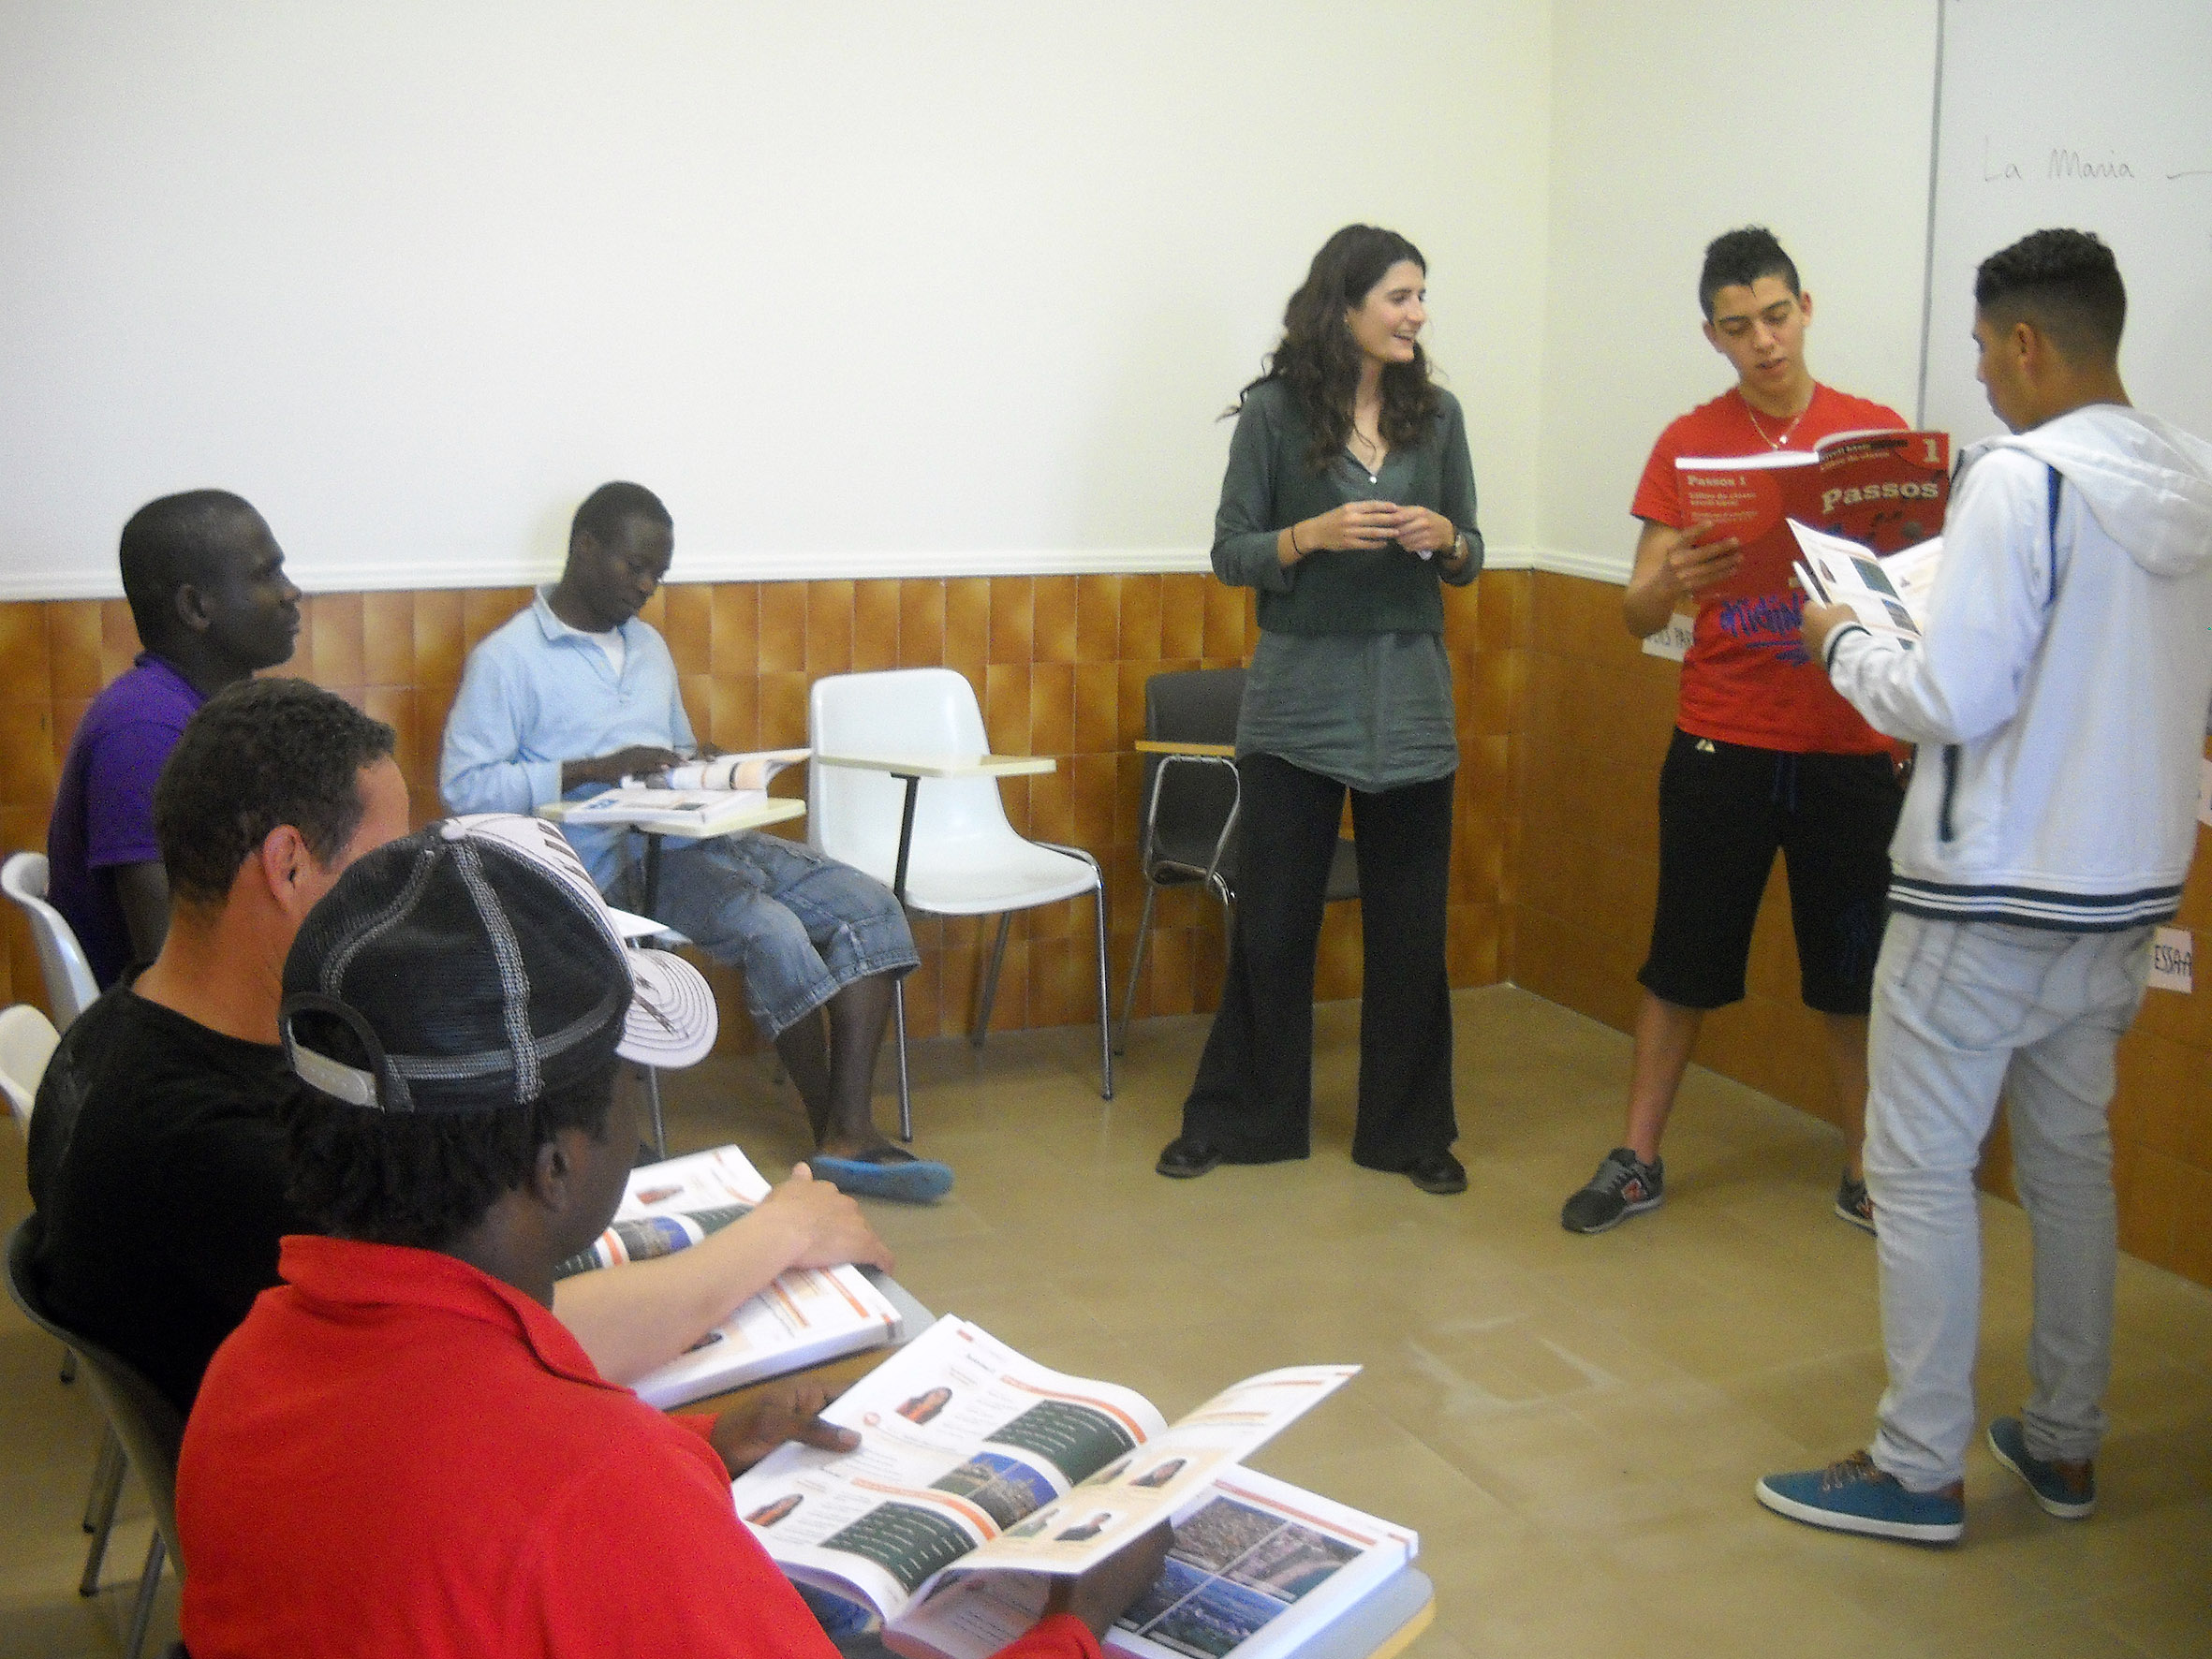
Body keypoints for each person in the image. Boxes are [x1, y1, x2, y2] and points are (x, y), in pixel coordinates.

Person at [176, 815, 1170, 1657]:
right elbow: (544, 1510)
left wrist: (697, 1444)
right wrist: (1077, 1619)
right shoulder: (596, 1487)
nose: (639, 1129)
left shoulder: (243, 1374)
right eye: (622, 1089)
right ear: (555, 1164)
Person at [29, 676, 887, 1411]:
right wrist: (777, 1234)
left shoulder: (131, 1026)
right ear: (289, 866)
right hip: (369, 1485)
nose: (405, 893)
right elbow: (517, 1339)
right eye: (384, 864)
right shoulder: (211, 1148)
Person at [1758, 229, 2212, 1543]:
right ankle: (2062, 1444)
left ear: (2024, 342)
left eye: (1979, 349)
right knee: (2070, 1168)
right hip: (2123, 896)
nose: (1979, 377)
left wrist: (1844, 635)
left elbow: (1950, 696)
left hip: (1986, 896)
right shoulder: (2189, 477)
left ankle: (1914, 1467)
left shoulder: (2020, 482)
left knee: (1914, 1173)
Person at [441, 481, 951, 1203]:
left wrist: (701, 765)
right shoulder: (509, 659)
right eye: (635, 568)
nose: (648, 587)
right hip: (609, 867)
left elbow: (670, 751)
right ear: (585, 548)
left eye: (659, 573)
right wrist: (590, 769)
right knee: (772, 927)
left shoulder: (647, 647)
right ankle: (835, 1132)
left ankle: (847, 1129)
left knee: (868, 904)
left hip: (696, 838)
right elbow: (464, 788)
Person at [1558, 227, 1908, 1236]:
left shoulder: (1871, 434)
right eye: (1737, 326)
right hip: (1723, 734)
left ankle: (1866, 1168)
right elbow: (1633, 613)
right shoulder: (1688, 441)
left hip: (1849, 744)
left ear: (1806, 308)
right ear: (1711, 336)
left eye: (1776, 316)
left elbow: (1911, 594)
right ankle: (1636, 1157)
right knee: (1682, 961)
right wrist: (1667, 584)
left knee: (1851, 974)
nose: (1763, 341)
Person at [1155, 225, 1482, 1197]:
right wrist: (1310, 533)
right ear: (1342, 306)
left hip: (1410, 698)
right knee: (1274, 921)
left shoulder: (1441, 415)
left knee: (1411, 928)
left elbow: (1473, 551)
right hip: (1298, 698)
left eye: (1421, 296)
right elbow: (1229, 552)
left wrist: (1445, 538)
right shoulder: (1270, 413)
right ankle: (1241, 1117)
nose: (1416, 314)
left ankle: (1411, 1132)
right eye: (1398, 296)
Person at [45, 489, 302, 987]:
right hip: (159, 1046)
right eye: (266, 574)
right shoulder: (143, 733)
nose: (291, 592)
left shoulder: (211, 715)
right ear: (195, 608)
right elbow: (169, 962)